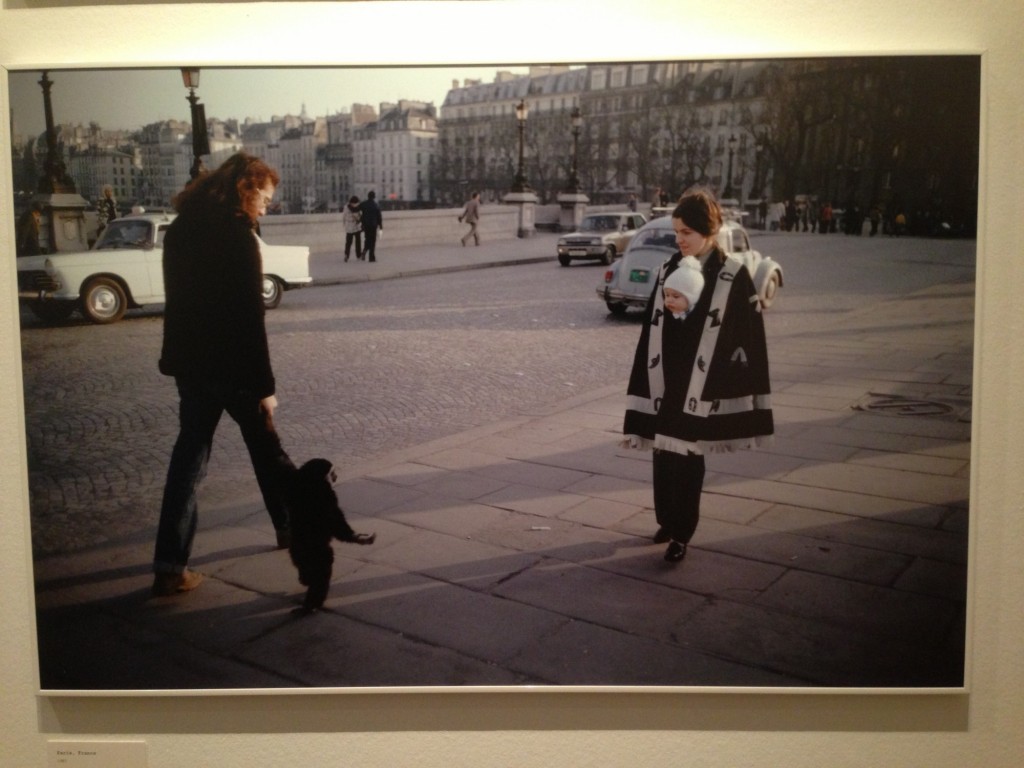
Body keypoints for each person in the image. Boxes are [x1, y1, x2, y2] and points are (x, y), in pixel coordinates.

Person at [152, 152, 296, 596]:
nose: (267, 207)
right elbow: (249, 319)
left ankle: (170, 564)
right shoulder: (238, 237)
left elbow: (177, 303)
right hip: (233, 368)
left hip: (192, 365)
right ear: (246, 189)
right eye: (266, 199)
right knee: (268, 451)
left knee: (188, 462)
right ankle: (292, 530)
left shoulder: (179, 231)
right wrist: (264, 388)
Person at [622, 189, 774, 563]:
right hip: (667, 376)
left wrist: (692, 312)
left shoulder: (733, 274)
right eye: (676, 232)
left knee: (689, 455)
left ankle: (682, 533)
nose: (680, 240)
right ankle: (665, 520)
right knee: (663, 450)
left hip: (701, 382)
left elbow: (747, 335)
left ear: (709, 231)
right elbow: (652, 327)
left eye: (686, 232)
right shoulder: (669, 268)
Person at [359, 190, 383, 262]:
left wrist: (361, 220)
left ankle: (364, 251)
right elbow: (379, 216)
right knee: (372, 241)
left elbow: (357, 210)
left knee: (367, 239)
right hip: (373, 225)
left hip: (366, 225)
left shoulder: (363, 204)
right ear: (374, 197)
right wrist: (380, 225)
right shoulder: (376, 205)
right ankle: (371, 257)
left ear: (368, 196)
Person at [342, 195, 362, 261]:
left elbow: (344, 217)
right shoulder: (358, 208)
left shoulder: (346, 207)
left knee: (348, 242)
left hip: (350, 227)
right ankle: (358, 255)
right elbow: (360, 216)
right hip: (355, 226)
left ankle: (346, 255)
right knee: (357, 242)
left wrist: (344, 224)